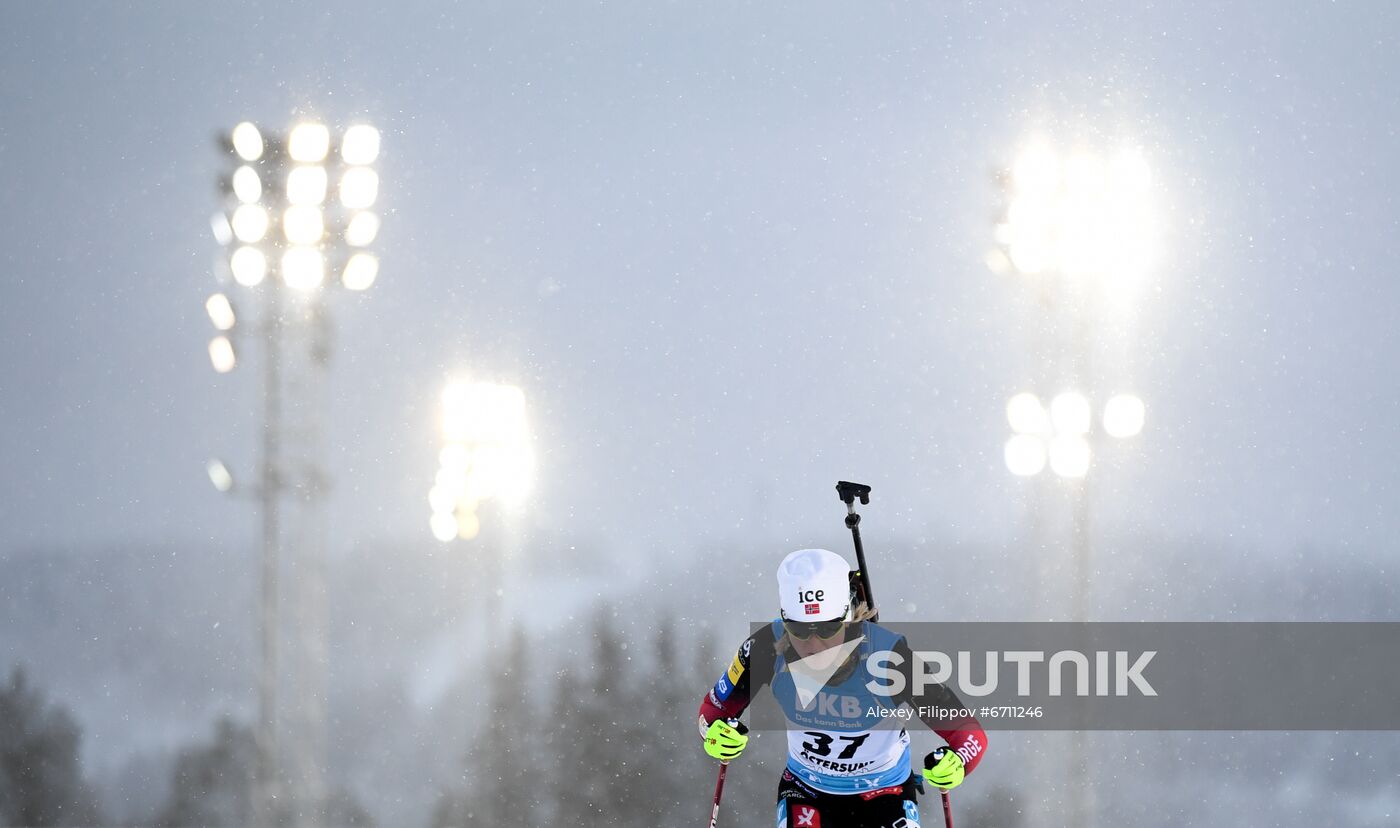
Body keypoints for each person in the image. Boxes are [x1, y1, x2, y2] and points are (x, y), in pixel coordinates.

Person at [698, 548, 987, 827]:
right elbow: (713, 711)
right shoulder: (765, 648)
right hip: (806, 791)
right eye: (799, 630)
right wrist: (715, 734)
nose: (814, 644)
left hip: (886, 793)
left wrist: (957, 762)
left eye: (827, 629)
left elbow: (968, 732)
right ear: (784, 622)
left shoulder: (889, 658)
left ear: (848, 620)